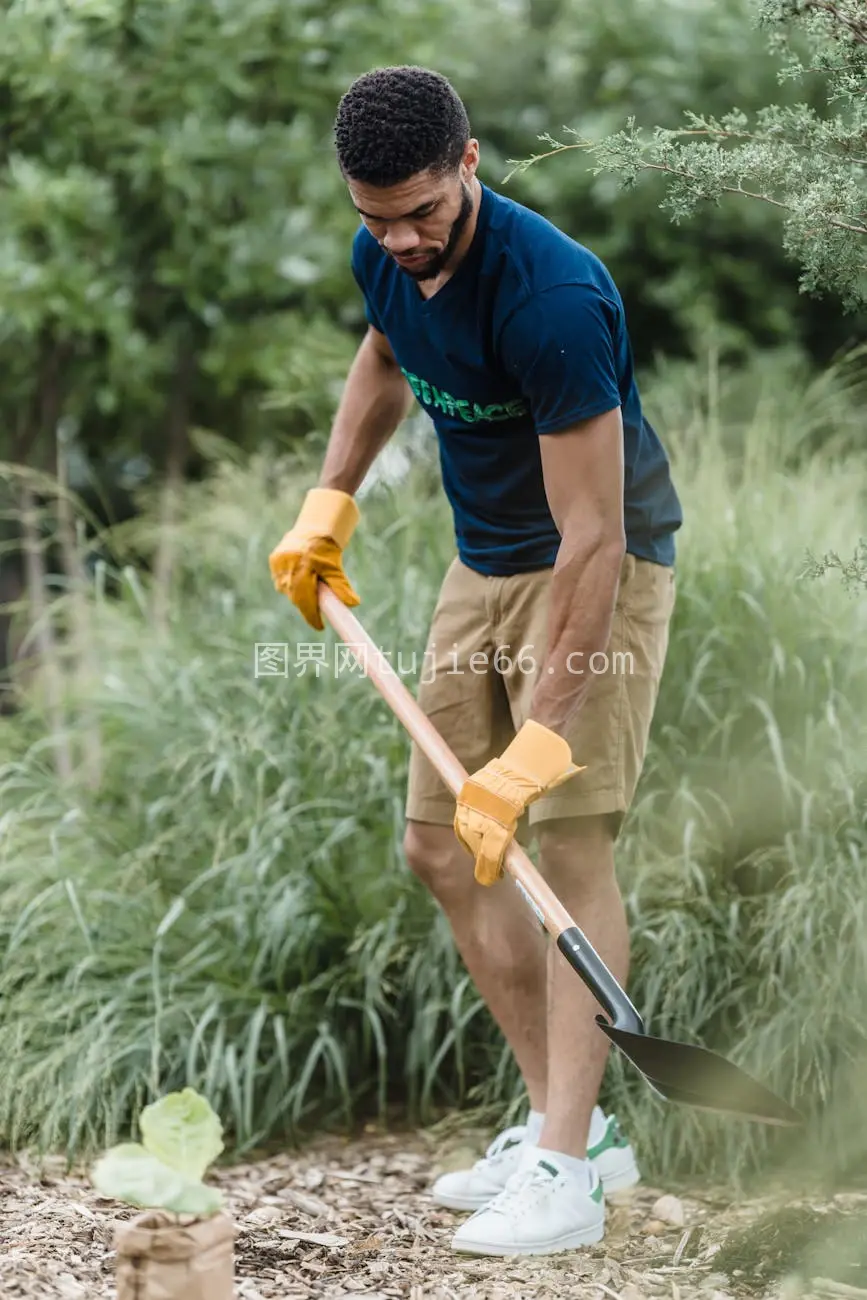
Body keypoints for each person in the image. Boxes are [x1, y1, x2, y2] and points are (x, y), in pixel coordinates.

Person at [269, 65, 682, 1257]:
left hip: (596, 562)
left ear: (470, 161)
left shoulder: (551, 297)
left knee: (563, 835)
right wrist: (326, 505)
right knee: (442, 844)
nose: (399, 237)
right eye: (372, 214)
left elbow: (596, 537)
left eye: (420, 211)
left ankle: (560, 1167)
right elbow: (389, 357)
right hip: (481, 559)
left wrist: (543, 740)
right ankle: (579, 1127)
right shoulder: (383, 254)